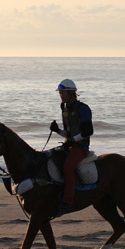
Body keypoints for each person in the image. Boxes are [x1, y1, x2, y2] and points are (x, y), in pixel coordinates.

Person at [49, 79, 93, 217]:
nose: (61, 95)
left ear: (71, 92)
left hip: (81, 148)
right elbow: (69, 133)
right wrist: (57, 131)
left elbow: (88, 132)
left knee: (67, 167)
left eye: (62, 93)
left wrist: (72, 141)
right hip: (70, 145)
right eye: (60, 93)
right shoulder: (65, 108)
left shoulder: (83, 109)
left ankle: (67, 202)